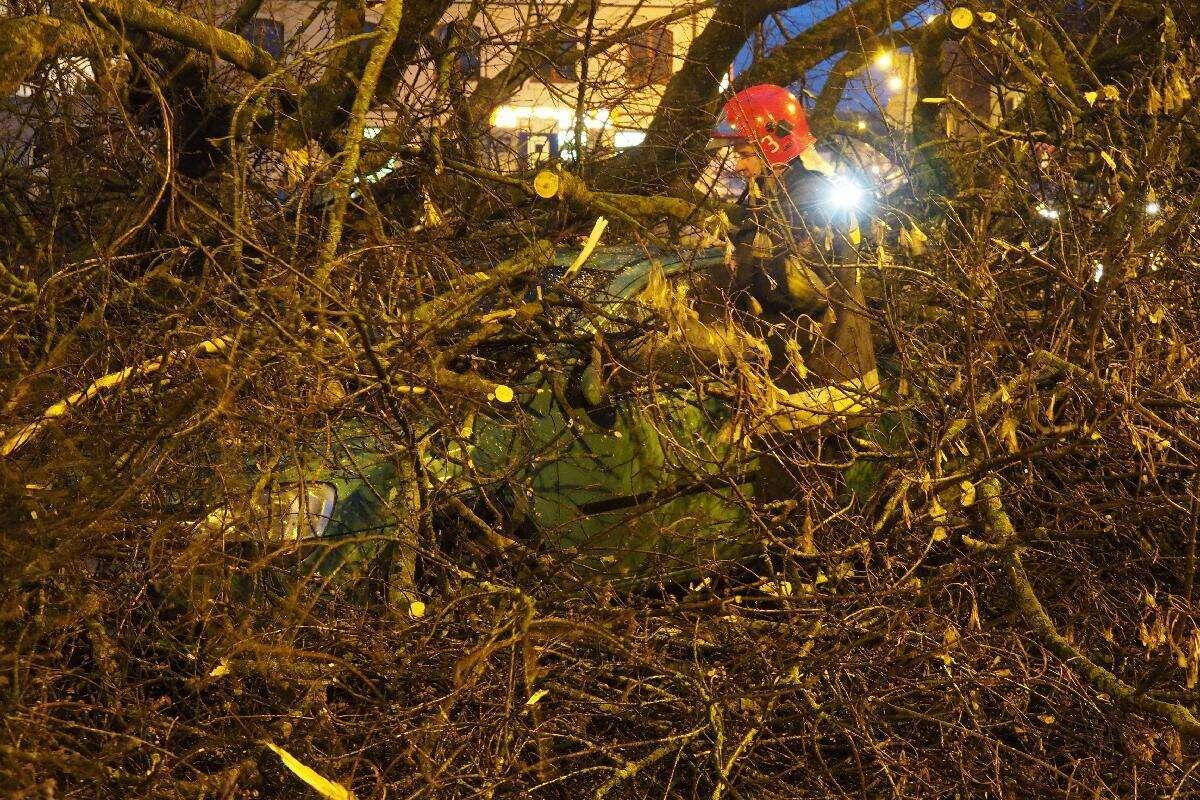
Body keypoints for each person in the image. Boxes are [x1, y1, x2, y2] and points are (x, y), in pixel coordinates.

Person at [704, 84, 879, 502]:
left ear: (775, 144)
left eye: (745, 153)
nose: (738, 165)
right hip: (802, 383)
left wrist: (745, 262)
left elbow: (803, 291)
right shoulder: (774, 197)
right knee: (799, 510)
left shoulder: (810, 199)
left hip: (819, 387)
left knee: (801, 514)